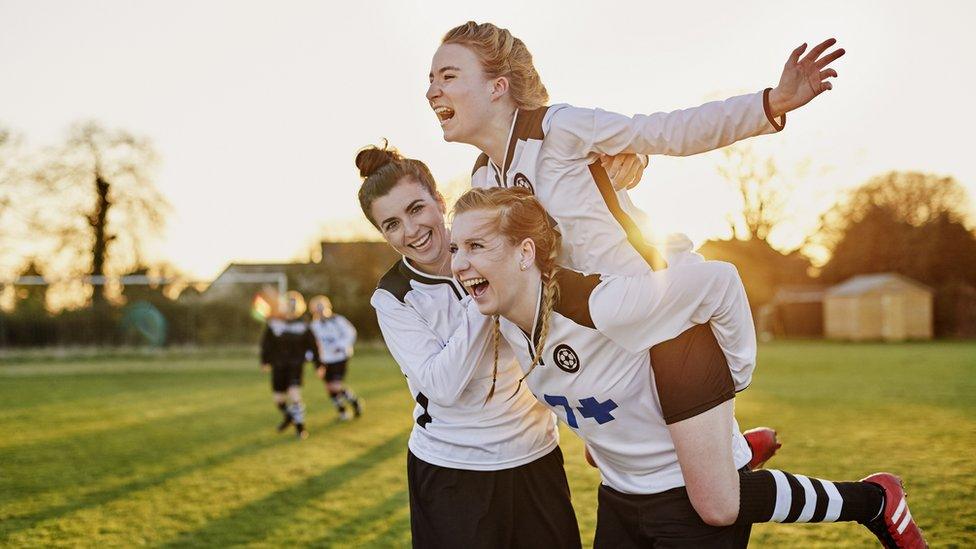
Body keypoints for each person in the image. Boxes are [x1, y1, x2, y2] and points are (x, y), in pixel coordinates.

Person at [449, 186, 927, 548]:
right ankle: (733, 453)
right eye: (456, 249)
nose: (460, 263)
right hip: (619, 493)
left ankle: (874, 501)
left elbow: (717, 278)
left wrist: (732, 380)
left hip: (685, 493)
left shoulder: (602, 301)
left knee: (721, 505)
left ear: (525, 252)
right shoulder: (501, 321)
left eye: (476, 246)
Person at [356, 143, 581, 548]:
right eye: (391, 224)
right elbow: (442, 387)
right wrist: (483, 290)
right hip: (452, 472)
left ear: (439, 200)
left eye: (416, 209)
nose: (410, 231)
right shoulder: (393, 297)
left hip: (535, 456)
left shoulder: (501, 243)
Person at [259, 290, 321, 440]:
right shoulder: (274, 322)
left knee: (294, 395)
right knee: (279, 400)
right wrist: (265, 361)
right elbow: (266, 344)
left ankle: (301, 428)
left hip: (295, 365)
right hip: (278, 365)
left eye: (294, 304)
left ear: (298, 306)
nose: (290, 307)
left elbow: (313, 345)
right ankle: (289, 417)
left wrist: (318, 364)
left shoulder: (304, 324)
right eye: (288, 304)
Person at [309, 294, 362, 420]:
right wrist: (312, 356)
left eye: (322, 307)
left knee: (336, 386)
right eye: (318, 308)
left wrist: (341, 345)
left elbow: (351, 333)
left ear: (328, 307)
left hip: (340, 357)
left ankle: (354, 401)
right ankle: (342, 411)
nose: (321, 311)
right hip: (325, 359)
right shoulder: (314, 326)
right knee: (329, 388)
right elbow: (312, 344)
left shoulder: (338, 320)